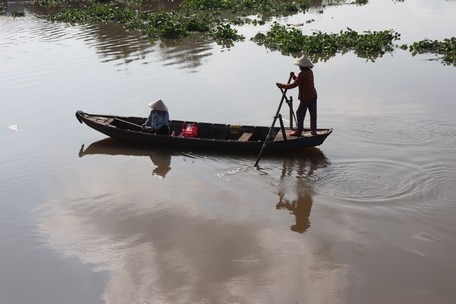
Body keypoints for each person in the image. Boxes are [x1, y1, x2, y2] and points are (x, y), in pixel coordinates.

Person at [276, 55, 318, 136]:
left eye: (299, 66)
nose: (299, 67)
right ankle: (313, 130)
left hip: (306, 98)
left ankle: (299, 131)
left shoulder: (302, 74)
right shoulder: (310, 72)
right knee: (313, 114)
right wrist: (294, 76)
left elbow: (293, 85)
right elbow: (301, 81)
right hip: (313, 96)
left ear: (302, 66)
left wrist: (282, 85)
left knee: (299, 113)